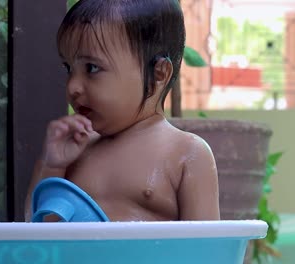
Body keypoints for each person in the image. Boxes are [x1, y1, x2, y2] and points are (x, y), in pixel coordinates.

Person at [24, 0, 219, 222]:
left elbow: (206, 245)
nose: (72, 86)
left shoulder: (185, 153)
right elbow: (35, 231)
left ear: (159, 74)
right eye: (69, 68)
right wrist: (52, 165)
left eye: (92, 68)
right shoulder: (77, 151)